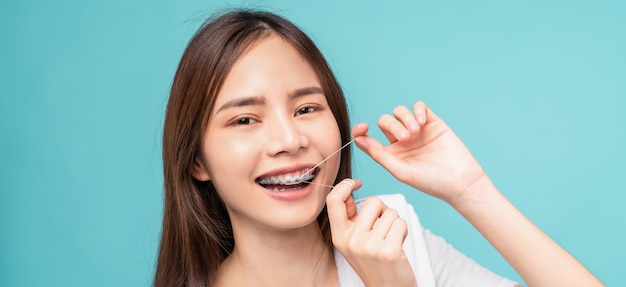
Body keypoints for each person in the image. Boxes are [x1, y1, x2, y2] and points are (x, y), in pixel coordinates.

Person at [155, 10, 603, 287]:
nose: (290, 140)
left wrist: (472, 191)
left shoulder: (394, 238)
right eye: (245, 119)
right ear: (196, 160)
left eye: (307, 108)